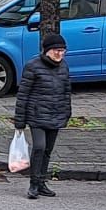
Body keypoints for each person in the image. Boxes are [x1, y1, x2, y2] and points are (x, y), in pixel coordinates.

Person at [13, 34, 72, 199]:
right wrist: (20, 121)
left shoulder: (64, 67)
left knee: (47, 150)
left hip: (56, 114)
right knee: (39, 147)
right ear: (47, 51)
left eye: (62, 51)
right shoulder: (33, 66)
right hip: (37, 115)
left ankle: (41, 183)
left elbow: (66, 92)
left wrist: (67, 112)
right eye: (56, 51)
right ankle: (33, 184)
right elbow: (23, 94)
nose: (59, 54)